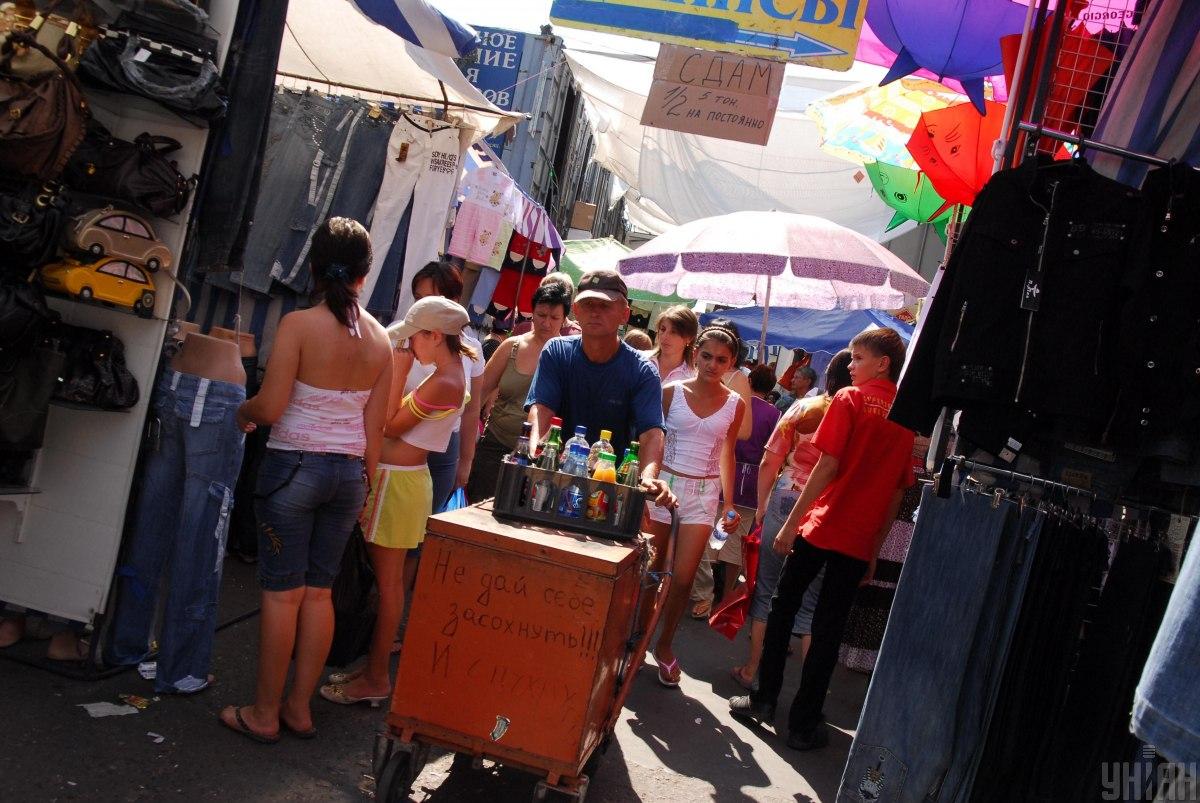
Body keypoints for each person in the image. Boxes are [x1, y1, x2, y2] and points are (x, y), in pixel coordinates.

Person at [219, 217, 392, 743]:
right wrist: (366, 489)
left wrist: (242, 410)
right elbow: (374, 433)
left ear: (314, 267)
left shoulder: (298, 325)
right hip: (348, 477)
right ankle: (299, 709)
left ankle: (264, 713)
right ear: (364, 274)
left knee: (282, 595)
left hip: (294, 469)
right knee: (318, 594)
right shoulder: (382, 340)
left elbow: (271, 407)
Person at [730, 329, 915, 751]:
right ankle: (804, 722)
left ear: (883, 363)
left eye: (858, 357)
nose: (851, 365)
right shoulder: (906, 415)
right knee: (828, 629)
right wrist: (874, 548)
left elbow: (827, 464)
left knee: (783, 608)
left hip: (822, 524)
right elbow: (897, 493)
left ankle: (763, 700)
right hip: (858, 539)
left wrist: (791, 523)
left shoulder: (849, 399)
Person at [319, 297, 473, 707]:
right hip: (401, 483)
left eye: (414, 338)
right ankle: (371, 668)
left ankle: (376, 678)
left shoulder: (445, 380)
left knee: (388, 587)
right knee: (386, 584)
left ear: (434, 336)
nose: (409, 346)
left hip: (399, 486)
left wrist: (399, 372)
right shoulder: (449, 373)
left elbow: (388, 426)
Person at [730, 350, 852, 690]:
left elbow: (770, 461)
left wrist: (761, 505)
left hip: (786, 497)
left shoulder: (804, 408)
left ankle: (753, 670)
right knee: (810, 604)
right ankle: (807, 691)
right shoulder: (855, 418)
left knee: (767, 589)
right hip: (826, 507)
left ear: (828, 376)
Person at [644, 325, 747, 687]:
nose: (712, 365)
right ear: (695, 354)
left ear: (731, 363)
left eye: (722, 359)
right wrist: (648, 480)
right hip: (664, 486)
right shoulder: (669, 392)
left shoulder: (736, 404)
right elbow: (653, 440)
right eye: (707, 356)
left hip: (704, 493)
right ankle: (637, 636)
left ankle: (664, 646)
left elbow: (728, 453)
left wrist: (729, 504)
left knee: (684, 579)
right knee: (650, 571)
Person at [524, 269, 673, 504]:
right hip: (552, 479)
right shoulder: (556, 351)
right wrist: (535, 453)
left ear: (625, 314)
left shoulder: (642, 370)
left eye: (605, 305)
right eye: (588, 304)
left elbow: (652, 434)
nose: (595, 312)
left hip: (609, 491)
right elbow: (541, 410)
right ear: (576, 310)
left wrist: (647, 478)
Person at [464, 281, 571, 503]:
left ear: (564, 319)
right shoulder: (511, 346)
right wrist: (465, 441)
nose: (546, 323)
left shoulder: (569, 356)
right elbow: (478, 395)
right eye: (541, 315)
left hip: (541, 457)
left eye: (554, 317)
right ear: (532, 313)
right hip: (495, 446)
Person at [690, 363, 781, 620]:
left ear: (749, 381)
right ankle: (726, 595)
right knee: (735, 541)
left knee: (712, 537)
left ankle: (704, 590)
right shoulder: (773, 414)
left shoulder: (731, 402)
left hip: (723, 474)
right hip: (751, 483)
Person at [407, 262, 484, 510]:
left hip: (445, 451)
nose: (423, 306)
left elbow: (472, 410)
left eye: (432, 299)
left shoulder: (472, 348)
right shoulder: (398, 338)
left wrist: (466, 461)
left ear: (454, 301)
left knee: (427, 524)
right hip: (401, 446)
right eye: (418, 298)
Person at [511, 272, 582, 336]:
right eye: (546, 292)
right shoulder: (524, 328)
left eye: (554, 318)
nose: (546, 324)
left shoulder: (577, 336)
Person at [647, 305, 698, 386]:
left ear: (689, 338)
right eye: (663, 329)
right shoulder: (641, 359)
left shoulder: (692, 379)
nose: (665, 336)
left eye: (674, 332)